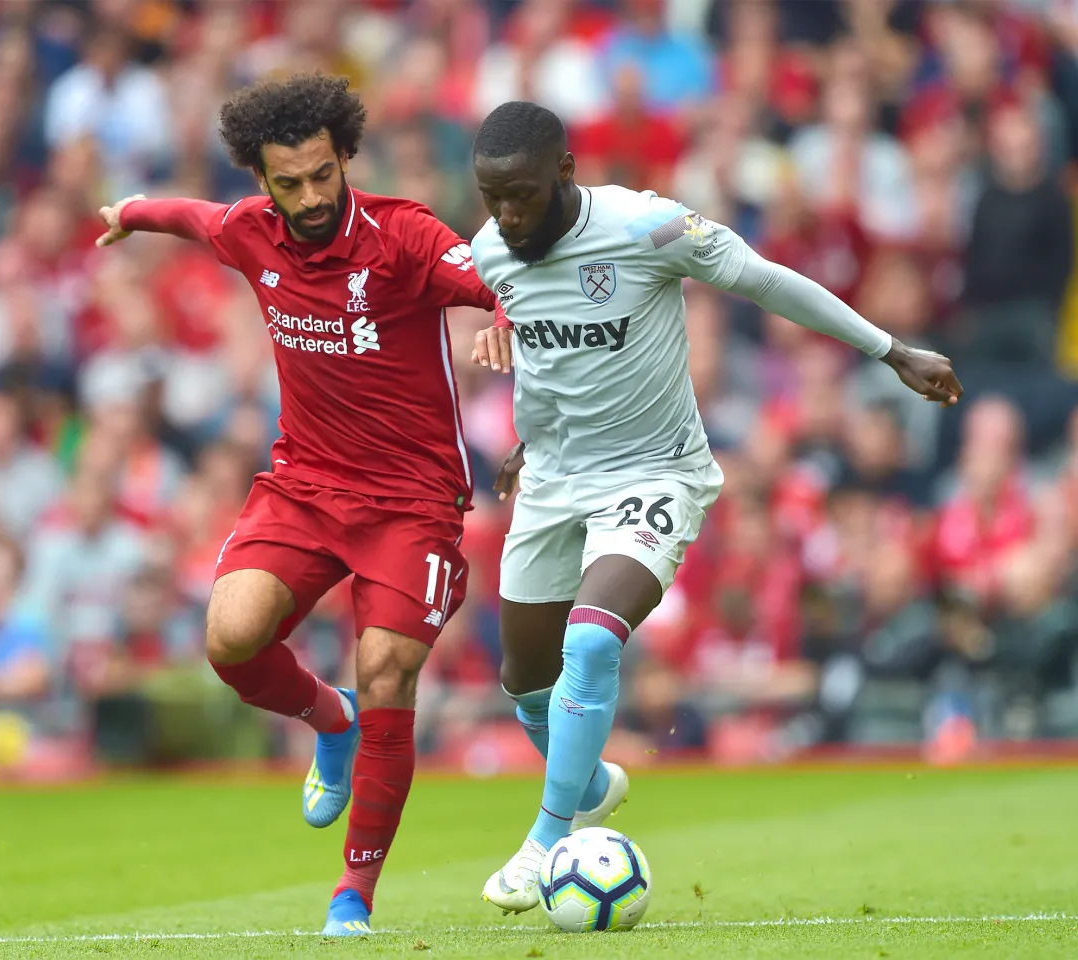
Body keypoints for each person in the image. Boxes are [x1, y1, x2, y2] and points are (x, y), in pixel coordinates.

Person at [467, 100, 963, 914]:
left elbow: (766, 281)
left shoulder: (647, 229)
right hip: (554, 477)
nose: (508, 215)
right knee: (525, 680)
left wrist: (890, 349)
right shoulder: (494, 249)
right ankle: (587, 780)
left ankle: (546, 839)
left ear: (564, 172)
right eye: (493, 198)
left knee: (590, 644)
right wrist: (525, 439)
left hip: (655, 473)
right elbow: (542, 353)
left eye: (521, 194)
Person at [95, 74, 497, 935]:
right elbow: (193, 217)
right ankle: (331, 721)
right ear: (262, 181)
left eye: (324, 174)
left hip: (411, 502)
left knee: (387, 667)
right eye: (291, 182)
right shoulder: (250, 232)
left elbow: (494, 275)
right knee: (230, 640)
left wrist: (502, 313)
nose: (312, 196)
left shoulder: (406, 237)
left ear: (344, 155)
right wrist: (132, 212)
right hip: (306, 486)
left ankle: (354, 892)